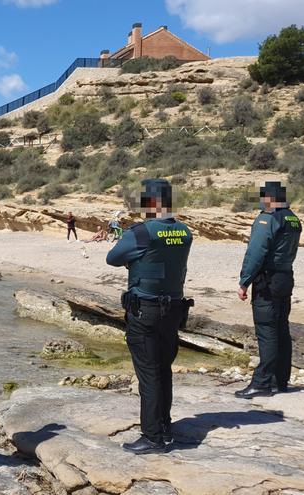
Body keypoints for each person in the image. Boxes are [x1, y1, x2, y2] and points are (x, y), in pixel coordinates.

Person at [106, 179, 194, 455]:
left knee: (149, 374)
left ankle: (153, 437)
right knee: (163, 369)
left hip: (146, 310)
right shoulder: (184, 231)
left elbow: (113, 257)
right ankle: (164, 427)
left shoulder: (142, 232)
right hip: (174, 310)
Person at [235, 181, 302, 399]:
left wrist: (244, 281)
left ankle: (262, 383)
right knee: (281, 328)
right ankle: (280, 380)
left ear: (270, 198)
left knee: (267, 331)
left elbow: (256, 252)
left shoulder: (268, 218)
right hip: (285, 277)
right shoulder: (293, 218)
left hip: (268, 281)